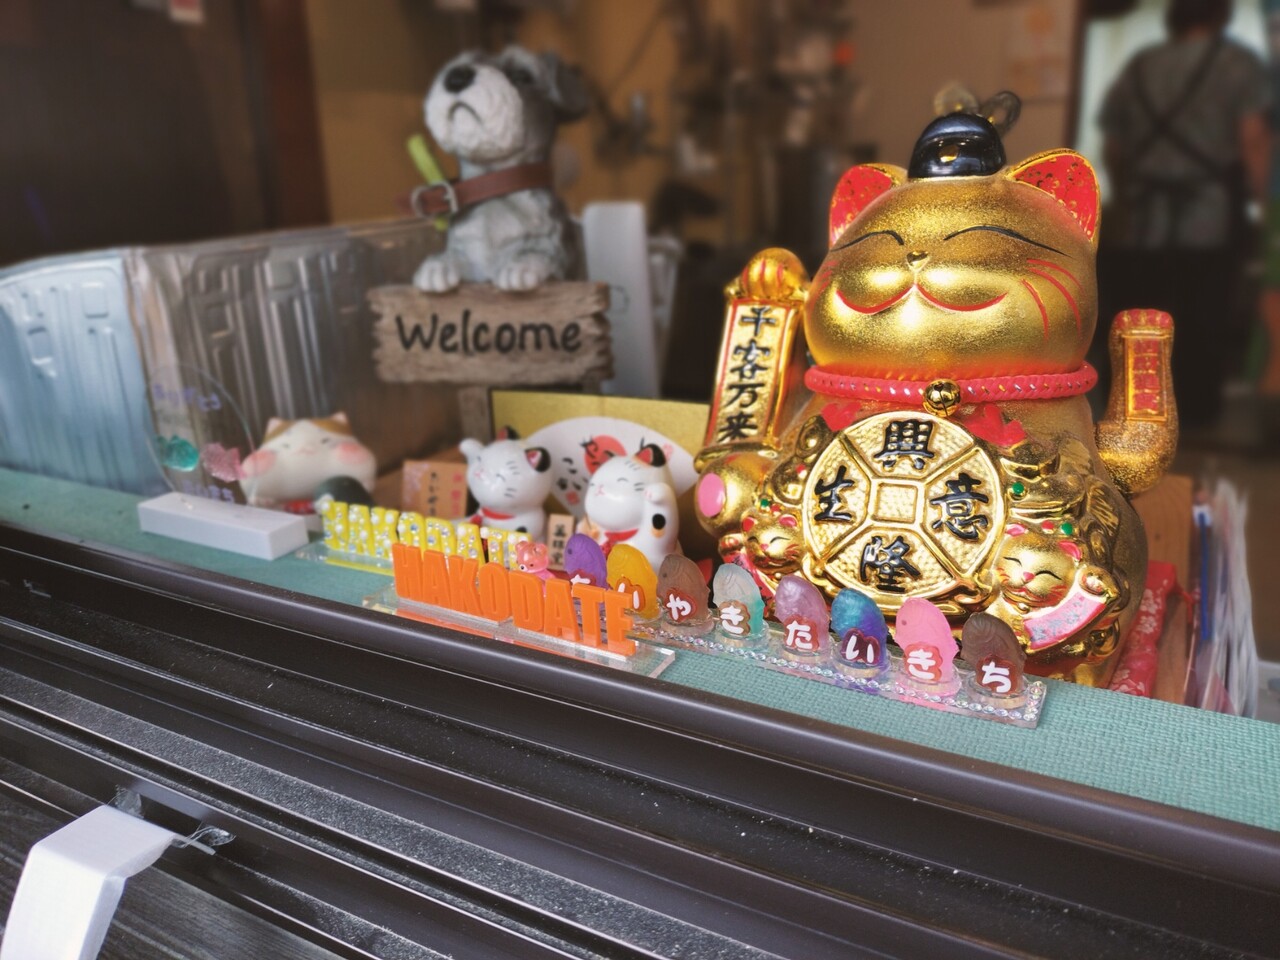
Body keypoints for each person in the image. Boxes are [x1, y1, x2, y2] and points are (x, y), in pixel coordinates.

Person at [1098, 0, 1270, 429]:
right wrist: (1263, 204)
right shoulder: (1238, 63)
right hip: (1208, 216)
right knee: (1202, 316)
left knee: (1140, 316)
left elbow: (1114, 147)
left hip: (1142, 219)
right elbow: (1252, 139)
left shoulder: (1141, 65)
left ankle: (1134, 412)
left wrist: (1128, 193)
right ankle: (1193, 417)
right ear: (1220, 15)